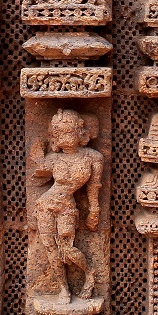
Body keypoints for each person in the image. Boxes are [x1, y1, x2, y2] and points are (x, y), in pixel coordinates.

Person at [30, 109, 103, 303]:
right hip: (46, 205)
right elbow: (38, 173)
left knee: (67, 247)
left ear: (80, 133)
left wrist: (94, 210)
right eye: (59, 134)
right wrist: (37, 152)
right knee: (51, 249)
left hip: (67, 207)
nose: (64, 138)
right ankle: (64, 288)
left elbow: (94, 187)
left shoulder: (93, 158)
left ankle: (89, 273)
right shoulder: (54, 159)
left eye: (68, 132)